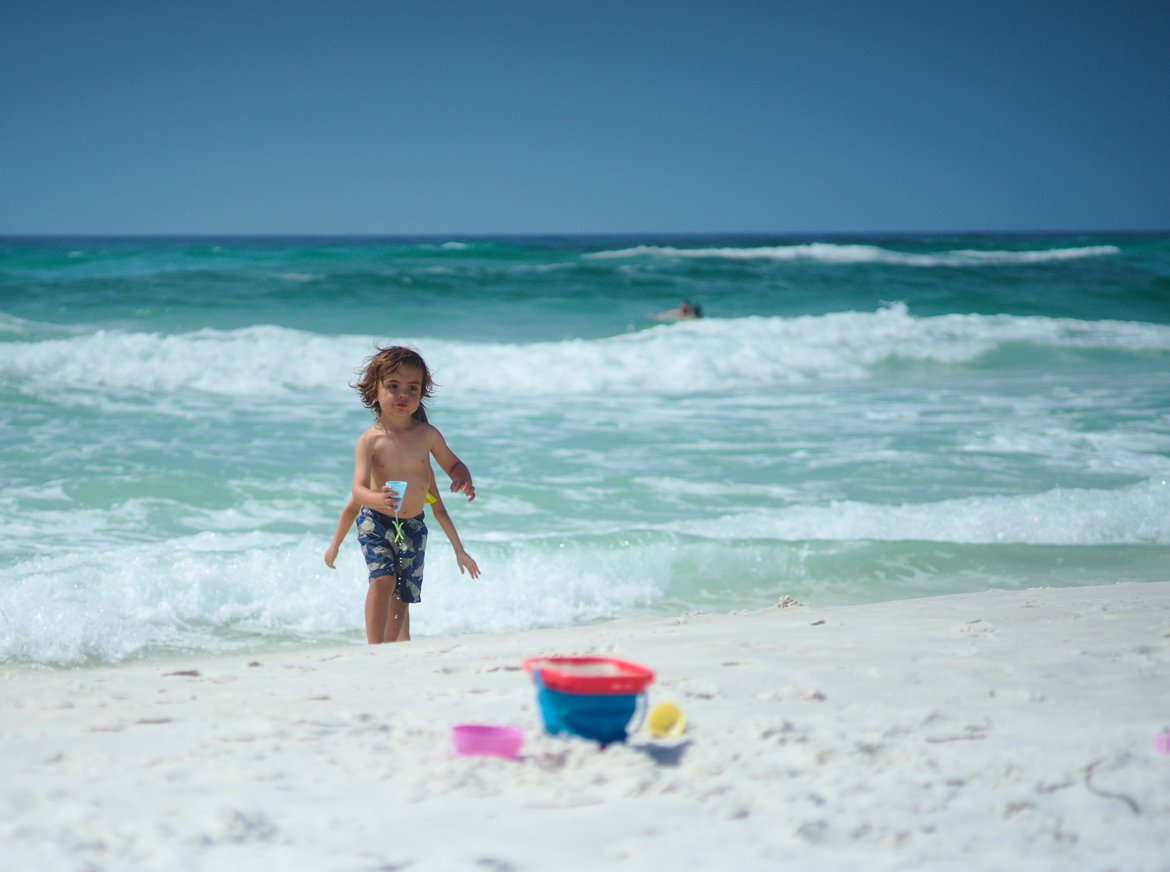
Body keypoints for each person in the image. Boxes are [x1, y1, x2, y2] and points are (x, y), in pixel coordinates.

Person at [344, 346, 476, 644]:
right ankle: (373, 647)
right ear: (373, 391)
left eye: (412, 388)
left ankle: (391, 649)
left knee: (403, 594)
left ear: (421, 393)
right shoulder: (369, 441)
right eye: (393, 386)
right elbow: (358, 489)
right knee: (383, 580)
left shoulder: (427, 435)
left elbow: (453, 463)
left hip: (413, 526)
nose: (403, 394)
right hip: (376, 522)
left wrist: (462, 477)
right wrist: (376, 499)